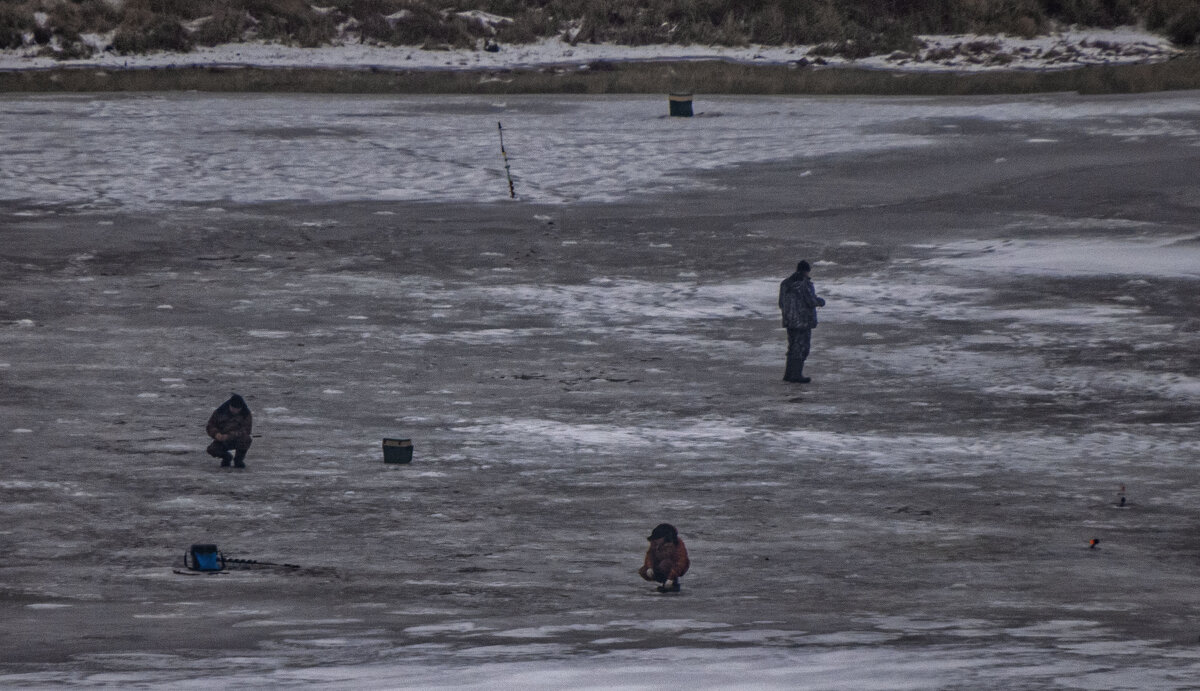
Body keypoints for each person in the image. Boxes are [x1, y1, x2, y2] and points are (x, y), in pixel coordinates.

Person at [778, 260, 826, 383]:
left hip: (790, 321)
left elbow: (781, 303)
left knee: (793, 347)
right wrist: (820, 301)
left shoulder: (785, 283)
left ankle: (788, 374)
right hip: (803, 322)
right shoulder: (805, 284)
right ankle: (796, 375)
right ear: (806, 271)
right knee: (802, 348)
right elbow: (810, 301)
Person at [638, 523, 690, 593]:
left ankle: (672, 584)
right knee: (643, 571)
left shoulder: (677, 544)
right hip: (660, 565)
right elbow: (650, 555)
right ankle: (664, 582)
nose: (656, 541)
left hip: (674, 567)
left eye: (658, 538)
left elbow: (681, 562)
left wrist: (671, 578)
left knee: (665, 564)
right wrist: (649, 567)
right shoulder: (655, 543)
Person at [206, 393, 252, 469]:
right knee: (212, 450)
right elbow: (210, 426)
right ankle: (226, 457)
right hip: (222, 440)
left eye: (237, 409)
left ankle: (238, 460)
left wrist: (229, 436)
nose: (235, 410)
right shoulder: (219, 412)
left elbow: (246, 430)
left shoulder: (246, 414)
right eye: (233, 408)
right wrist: (216, 434)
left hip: (237, 439)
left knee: (246, 439)